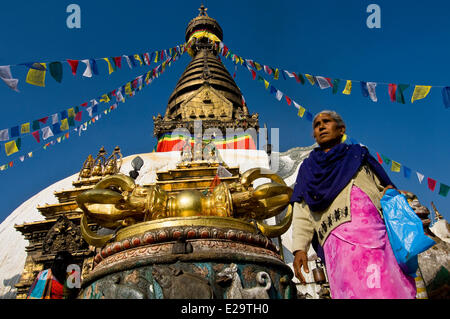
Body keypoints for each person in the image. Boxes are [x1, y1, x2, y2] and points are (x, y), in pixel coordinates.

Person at [291, 110, 416, 299]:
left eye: (327, 122)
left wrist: (389, 192)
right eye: (317, 125)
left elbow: (382, 186)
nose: (321, 126)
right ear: (314, 134)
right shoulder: (308, 169)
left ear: (341, 129)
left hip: (376, 236)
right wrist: (300, 248)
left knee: (387, 288)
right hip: (336, 243)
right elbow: (302, 210)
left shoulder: (358, 155)